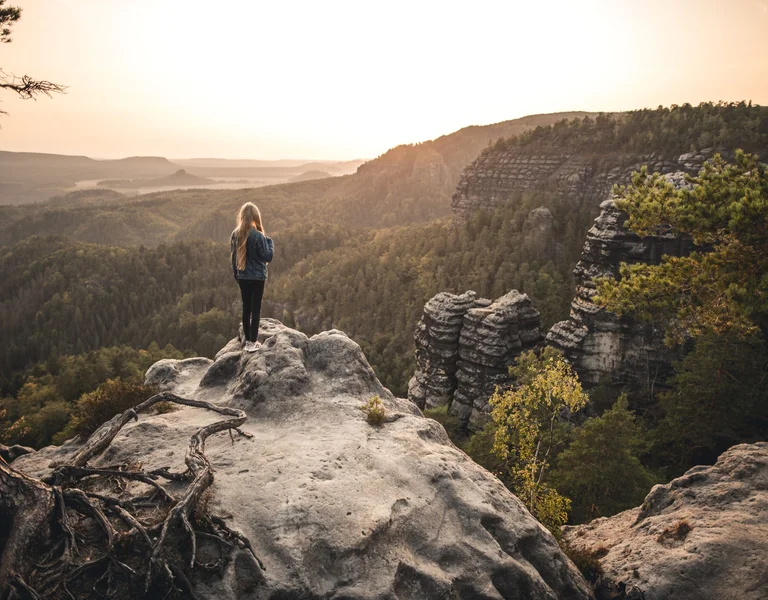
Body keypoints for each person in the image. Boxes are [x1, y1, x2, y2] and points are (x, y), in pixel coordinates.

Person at [231, 202, 274, 352]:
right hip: (257, 278)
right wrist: (270, 242)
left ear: (242, 217)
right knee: (255, 310)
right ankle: (252, 342)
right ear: (256, 217)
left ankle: (247, 342)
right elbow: (267, 257)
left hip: (243, 276)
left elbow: (234, 258)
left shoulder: (236, 234)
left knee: (246, 308)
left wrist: (237, 276)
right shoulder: (258, 236)